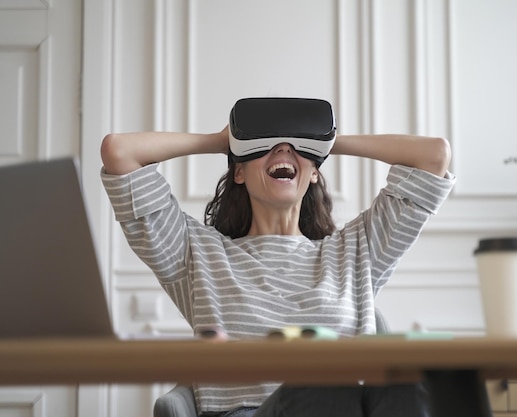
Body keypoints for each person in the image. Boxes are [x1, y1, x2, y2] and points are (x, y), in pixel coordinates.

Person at [100, 106, 455, 416]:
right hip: (251, 412)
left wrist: (325, 141)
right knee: (323, 380)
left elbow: (434, 155)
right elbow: (119, 152)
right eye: (265, 144)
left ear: (314, 171)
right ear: (238, 172)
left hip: (349, 407)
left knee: (411, 379)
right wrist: (223, 140)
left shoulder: (356, 250)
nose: (283, 148)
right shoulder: (199, 253)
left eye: (296, 146)